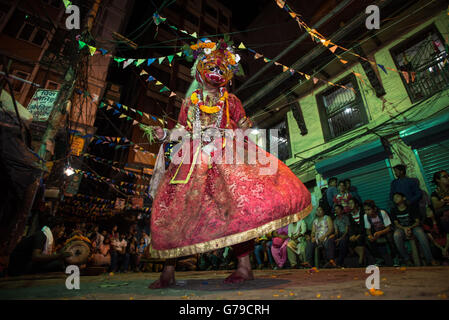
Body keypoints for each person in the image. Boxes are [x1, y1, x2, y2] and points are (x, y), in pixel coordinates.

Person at [146, 38, 312, 288]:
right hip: (192, 160)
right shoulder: (191, 101)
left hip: (228, 157)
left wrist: (244, 126)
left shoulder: (231, 101)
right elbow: (181, 129)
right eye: (211, 67)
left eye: (221, 69)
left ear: (228, 74)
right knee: (176, 211)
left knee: (237, 209)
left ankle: (244, 267)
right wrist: (165, 135)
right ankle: (168, 272)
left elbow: (242, 127)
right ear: (200, 69)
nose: (215, 72)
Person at [391, 192, 438, 266]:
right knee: (396, 235)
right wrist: (405, 228)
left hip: (414, 227)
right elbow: (396, 223)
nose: (395, 198)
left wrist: (409, 228)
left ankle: (430, 259)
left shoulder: (411, 207)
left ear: (404, 198)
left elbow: (417, 222)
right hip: (402, 228)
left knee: (421, 234)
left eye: (397, 196)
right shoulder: (393, 210)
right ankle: (407, 259)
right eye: (394, 197)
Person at [363, 200, 400, 267]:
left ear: (374, 209)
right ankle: (379, 259)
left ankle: (396, 258)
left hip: (386, 231)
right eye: (365, 210)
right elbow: (368, 229)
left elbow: (388, 228)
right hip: (377, 233)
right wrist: (370, 236)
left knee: (390, 237)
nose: (367, 212)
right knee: (367, 240)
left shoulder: (382, 213)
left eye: (369, 209)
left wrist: (380, 233)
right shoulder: (366, 216)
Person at [347, 198, 366, 267]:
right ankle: (361, 256)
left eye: (352, 203)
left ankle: (361, 260)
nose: (350, 205)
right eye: (349, 203)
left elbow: (364, 225)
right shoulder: (350, 215)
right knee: (349, 241)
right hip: (355, 234)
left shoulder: (362, 212)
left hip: (364, 232)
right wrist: (352, 235)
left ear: (356, 204)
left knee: (360, 239)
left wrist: (359, 235)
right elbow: (351, 227)